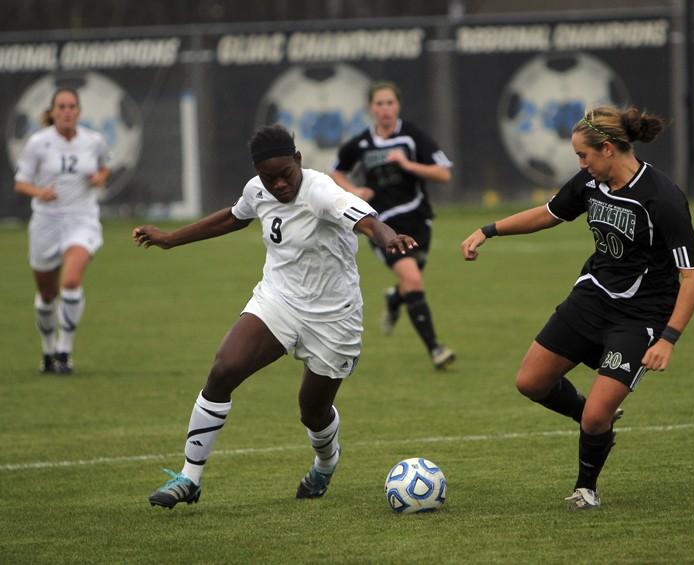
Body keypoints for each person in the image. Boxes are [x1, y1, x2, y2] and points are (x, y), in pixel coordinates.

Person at [134, 124, 417, 509]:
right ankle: (189, 477)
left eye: (286, 174)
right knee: (223, 370)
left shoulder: (322, 192)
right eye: (270, 178)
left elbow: (367, 222)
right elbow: (233, 217)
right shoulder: (258, 189)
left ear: (299, 160)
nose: (279, 185)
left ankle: (325, 462)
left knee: (312, 411)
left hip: (335, 317)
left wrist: (389, 238)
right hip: (278, 300)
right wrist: (171, 238)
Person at [461, 106, 694, 510]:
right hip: (591, 299)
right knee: (530, 382)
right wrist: (488, 230)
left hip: (639, 317)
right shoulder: (591, 182)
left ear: (607, 148)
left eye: (583, 155)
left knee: (596, 418)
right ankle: (594, 418)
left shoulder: (662, 197)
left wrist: (668, 339)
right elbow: (549, 213)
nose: (579, 164)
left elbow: (693, 277)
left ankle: (585, 488)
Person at [330, 81, 456, 370]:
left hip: (418, 220)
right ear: (370, 108)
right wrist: (354, 191)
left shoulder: (412, 137)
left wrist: (409, 165)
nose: (385, 109)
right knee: (413, 280)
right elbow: (335, 171)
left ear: (397, 106)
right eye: (379, 104)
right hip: (380, 226)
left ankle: (393, 298)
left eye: (390, 103)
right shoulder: (361, 143)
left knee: (410, 284)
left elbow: (443, 174)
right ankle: (436, 349)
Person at [14, 87, 111, 375]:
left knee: (70, 281)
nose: (67, 111)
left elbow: (105, 168)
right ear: (53, 112)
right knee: (46, 295)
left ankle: (64, 351)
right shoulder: (38, 143)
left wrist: (98, 178)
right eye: (61, 107)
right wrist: (39, 192)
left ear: (79, 112)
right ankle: (47, 350)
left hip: (82, 219)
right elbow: (21, 183)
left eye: (71, 106)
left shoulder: (94, 141)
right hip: (46, 222)